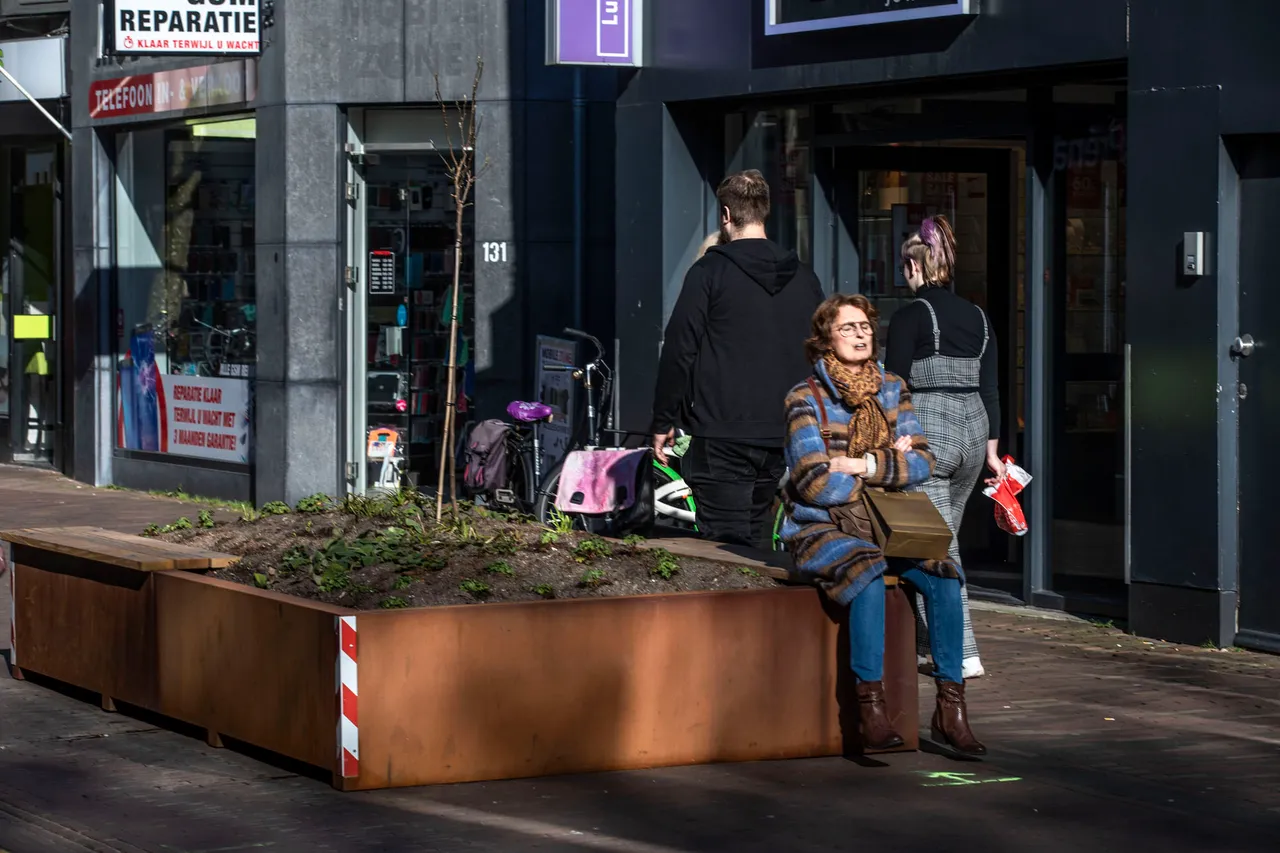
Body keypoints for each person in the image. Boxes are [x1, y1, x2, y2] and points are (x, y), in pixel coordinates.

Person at [781, 293, 986, 756]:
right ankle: (870, 708)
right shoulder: (804, 398)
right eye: (847, 327)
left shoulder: (893, 388)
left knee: (945, 575)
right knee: (868, 569)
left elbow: (925, 464)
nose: (859, 335)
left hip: (888, 525)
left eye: (866, 327)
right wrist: (891, 459)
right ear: (825, 340)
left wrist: (860, 465)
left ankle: (951, 707)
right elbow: (814, 484)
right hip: (821, 527)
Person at [651, 169, 824, 549]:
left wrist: (664, 418)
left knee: (724, 548)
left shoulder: (709, 272)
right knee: (760, 542)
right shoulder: (805, 278)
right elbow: (820, 351)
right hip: (782, 432)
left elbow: (680, 347)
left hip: (721, 433)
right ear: (765, 213)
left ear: (726, 215)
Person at [885, 215, 1003, 680]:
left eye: (903, 266)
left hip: (930, 433)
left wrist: (896, 435)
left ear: (915, 267)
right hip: (974, 432)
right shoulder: (979, 317)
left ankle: (963, 652)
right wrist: (992, 452)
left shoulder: (910, 315)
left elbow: (892, 384)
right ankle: (923, 645)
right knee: (939, 537)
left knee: (938, 549)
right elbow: (991, 388)